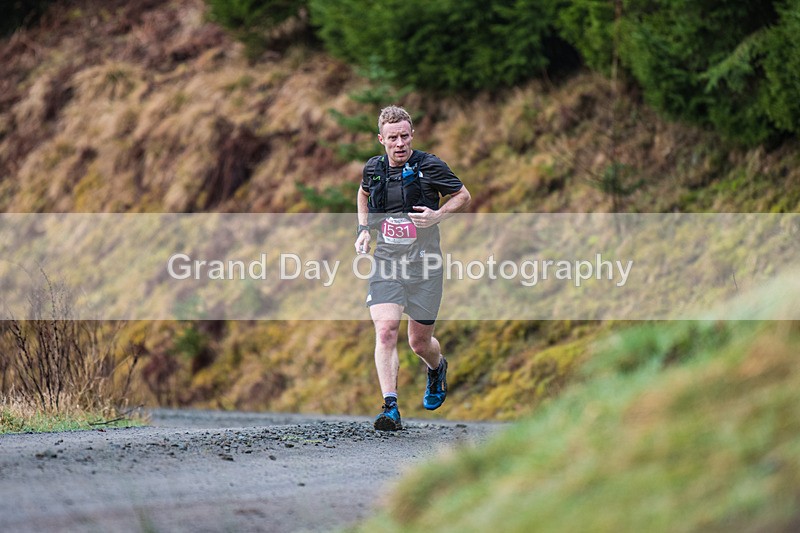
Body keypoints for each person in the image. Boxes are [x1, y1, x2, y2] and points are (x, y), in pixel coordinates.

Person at [354, 105, 471, 431]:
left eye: (405, 136)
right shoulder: (374, 169)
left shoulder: (429, 166)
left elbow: (463, 195)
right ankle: (390, 406)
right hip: (387, 262)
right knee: (386, 329)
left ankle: (436, 368)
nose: (400, 143)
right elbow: (363, 195)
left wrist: (437, 216)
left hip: (426, 267)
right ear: (382, 139)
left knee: (419, 343)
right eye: (393, 138)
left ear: (412, 135)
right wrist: (363, 230)